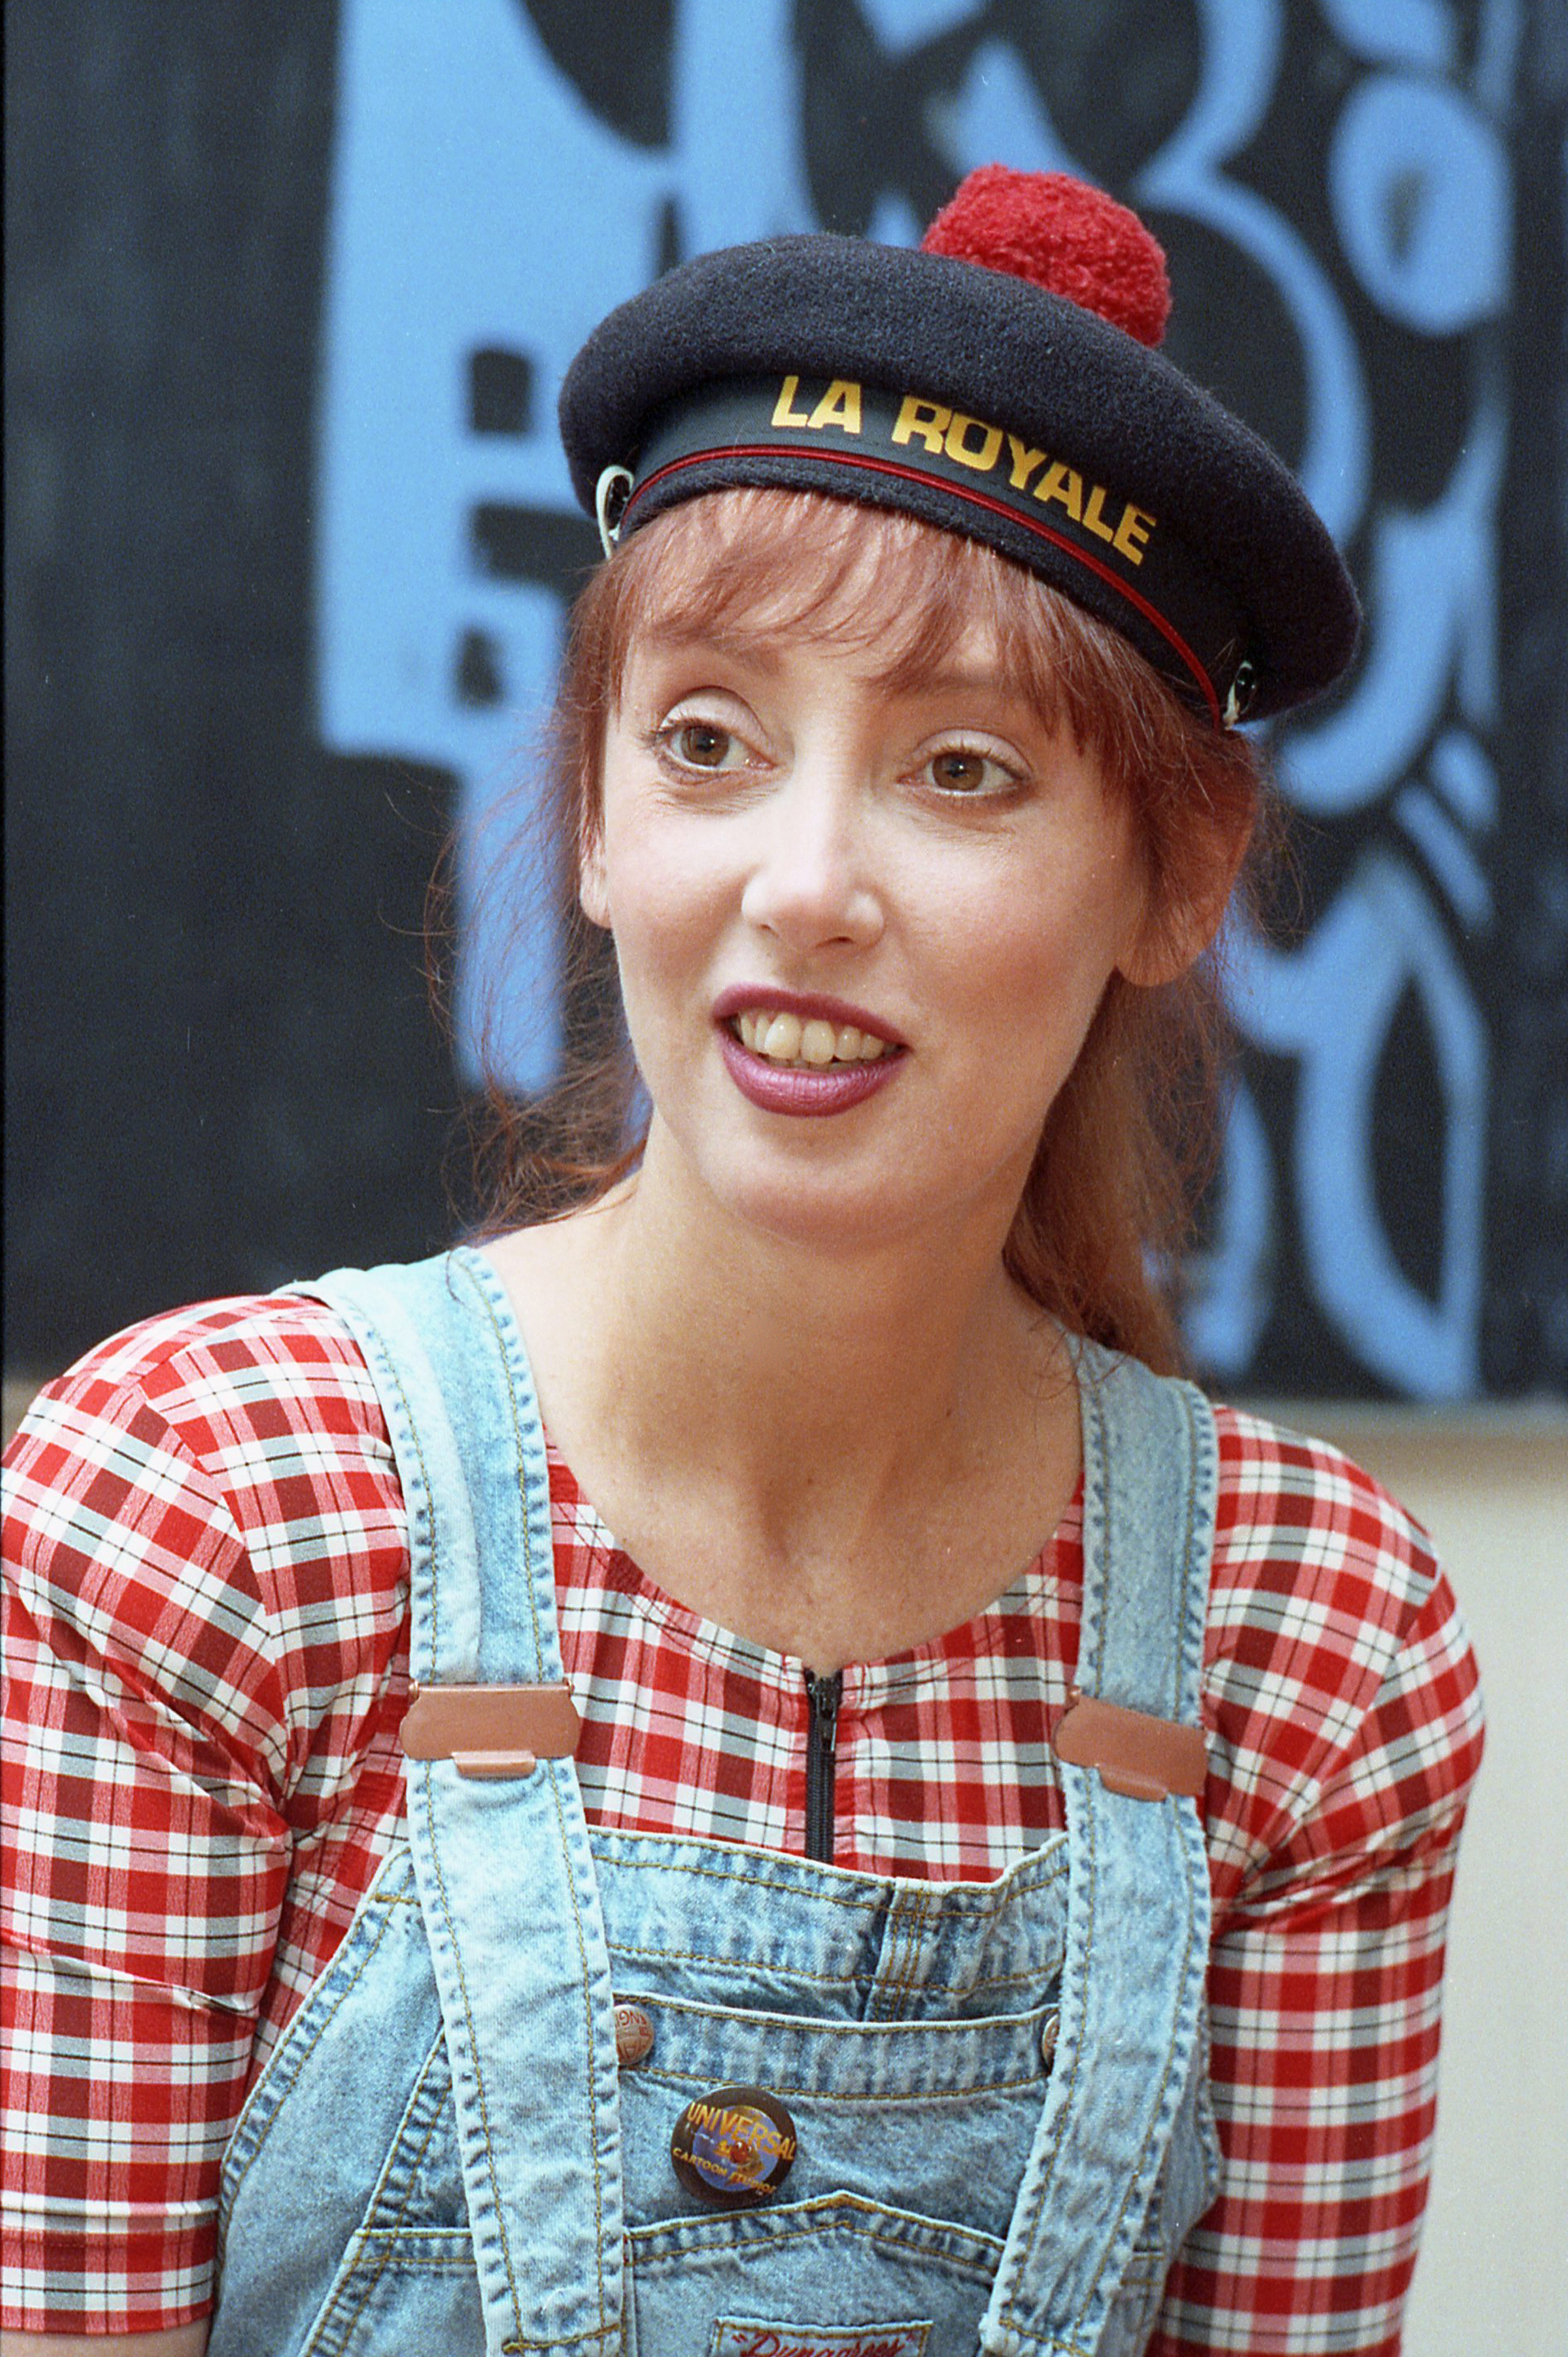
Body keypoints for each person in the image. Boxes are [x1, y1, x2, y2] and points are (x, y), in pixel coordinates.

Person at [1, 169, 1484, 2357]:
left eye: (960, 771)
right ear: (596, 812)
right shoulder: (210, 1506)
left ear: (1172, 876)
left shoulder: (1312, 1656)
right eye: (710, 739)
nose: (805, 884)